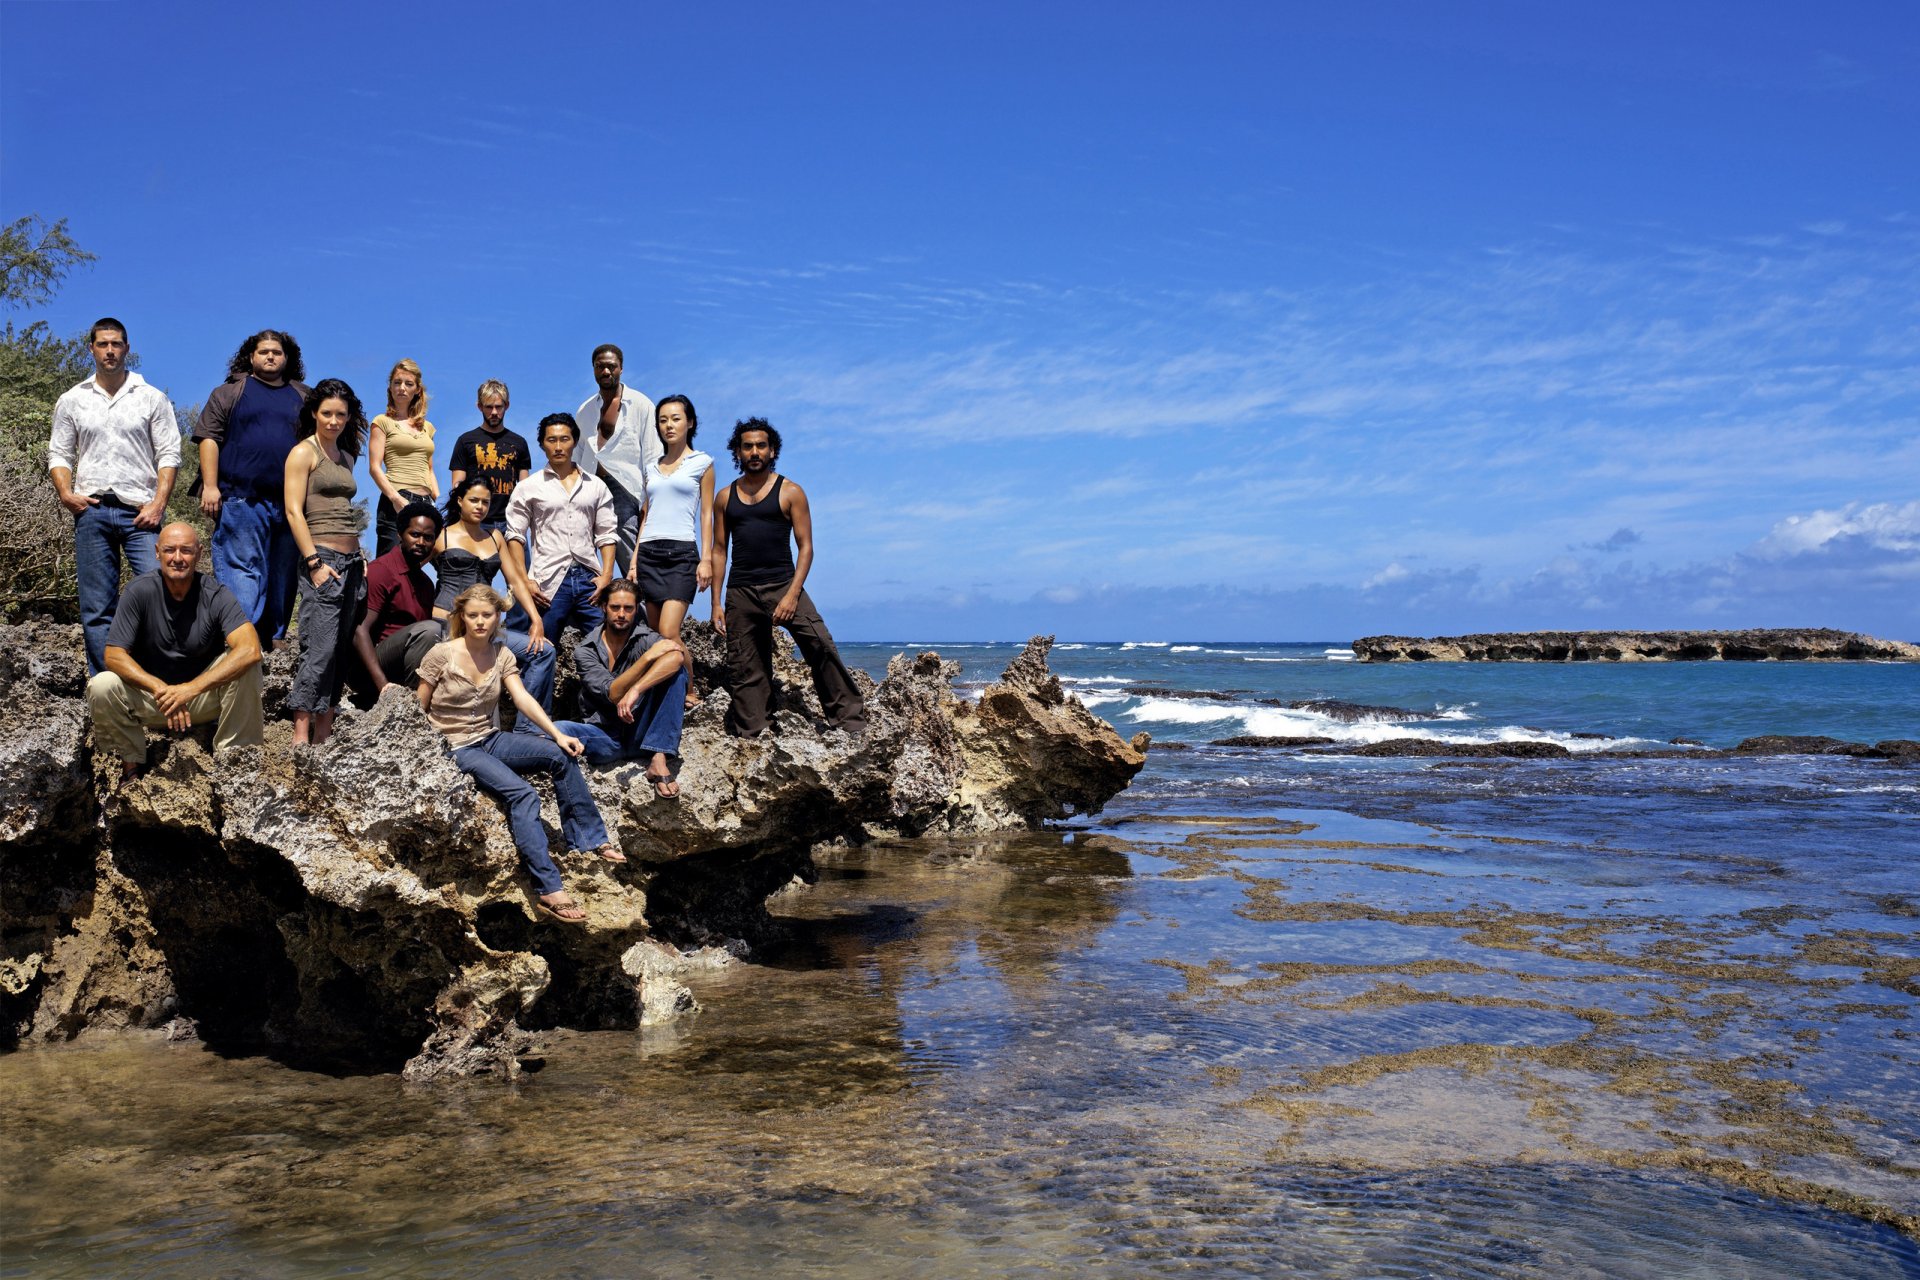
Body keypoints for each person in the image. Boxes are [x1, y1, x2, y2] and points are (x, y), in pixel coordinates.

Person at [418, 584, 624, 924]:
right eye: (473, 616)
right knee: (523, 794)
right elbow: (416, 708)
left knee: (559, 756)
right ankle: (548, 888)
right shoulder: (442, 654)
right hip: (454, 747)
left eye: (487, 615)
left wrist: (558, 735)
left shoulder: (502, 654)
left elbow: (523, 699)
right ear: (462, 617)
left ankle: (588, 840)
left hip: (490, 738)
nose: (480, 622)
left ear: (498, 616)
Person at [711, 418, 867, 737]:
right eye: (747, 446)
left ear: (772, 451)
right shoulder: (725, 498)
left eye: (761, 446)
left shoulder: (791, 491)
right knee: (745, 667)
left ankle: (850, 724)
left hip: (783, 585)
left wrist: (792, 595)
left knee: (820, 644)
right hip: (740, 591)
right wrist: (716, 602)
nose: (754, 451)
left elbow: (806, 547)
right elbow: (718, 550)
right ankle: (756, 734)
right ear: (737, 452)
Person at [47, 317, 181, 675]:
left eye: (116, 344)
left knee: (164, 592)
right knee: (96, 607)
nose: (110, 350)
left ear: (127, 348)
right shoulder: (72, 400)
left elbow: (169, 453)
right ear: (90, 348)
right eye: (103, 344)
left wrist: (159, 503)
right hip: (91, 509)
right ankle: (106, 687)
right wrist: (65, 493)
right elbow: (59, 454)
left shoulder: (151, 397)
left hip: (141, 511)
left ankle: (164, 679)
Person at [86, 522, 264, 777]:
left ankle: (236, 768)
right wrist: (162, 689)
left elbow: (250, 649)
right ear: (157, 552)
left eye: (186, 551)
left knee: (246, 664)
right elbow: (114, 655)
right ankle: (130, 769)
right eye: (170, 550)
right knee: (102, 684)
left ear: (199, 554)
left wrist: (189, 690)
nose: (178, 558)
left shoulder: (216, 594)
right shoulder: (139, 591)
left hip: (201, 699)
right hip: (154, 701)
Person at [192, 329, 312, 648]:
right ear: (251, 356)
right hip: (240, 500)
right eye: (264, 352)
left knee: (282, 575)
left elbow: (324, 441)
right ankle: (239, 640)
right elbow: (209, 438)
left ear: (288, 358)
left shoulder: (304, 396)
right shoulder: (230, 392)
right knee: (242, 573)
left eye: (277, 352)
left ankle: (273, 640)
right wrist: (210, 486)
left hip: (290, 504)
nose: (270, 356)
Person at [284, 379, 369, 747]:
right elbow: (292, 510)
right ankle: (300, 736)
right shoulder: (303, 453)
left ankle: (325, 732)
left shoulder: (346, 457)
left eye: (341, 415)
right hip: (323, 558)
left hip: (351, 562)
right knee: (317, 647)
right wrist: (314, 561)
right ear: (314, 414)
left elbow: (347, 511)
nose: (334, 421)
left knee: (339, 648)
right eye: (327, 414)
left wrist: (361, 556)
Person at [552, 580, 689, 797]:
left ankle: (659, 758)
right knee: (555, 729)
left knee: (676, 673)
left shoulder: (644, 637)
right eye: (615, 607)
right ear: (604, 607)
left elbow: (676, 657)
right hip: (604, 737)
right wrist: (647, 659)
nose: (622, 614)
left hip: (642, 733)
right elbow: (613, 694)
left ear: (636, 609)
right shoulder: (585, 650)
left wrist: (636, 690)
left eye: (628, 608)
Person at [434, 476, 557, 713]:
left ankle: (528, 730)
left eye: (485, 502)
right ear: (460, 501)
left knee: (545, 651)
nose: (480, 506)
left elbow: (517, 582)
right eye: (474, 500)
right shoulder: (442, 535)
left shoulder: (495, 537)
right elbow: (408, 567)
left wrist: (536, 619)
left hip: (486, 628)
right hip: (446, 623)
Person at [504, 413, 617, 656]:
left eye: (564, 439)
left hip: (589, 578)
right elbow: (515, 536)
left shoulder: (595, 485)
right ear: (542, 444)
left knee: (608, 648)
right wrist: (525, 580)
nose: (558, 446)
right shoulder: (529, 487)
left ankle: (605, 694)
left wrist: (607, 575)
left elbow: (607, 534)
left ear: (574, 441)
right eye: (551, 440)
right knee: (540, 651)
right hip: (548, 580)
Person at [629, 394, 714, 647]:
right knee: (656, 637)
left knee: (668, 632)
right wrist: (634, 561)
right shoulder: (651, 468)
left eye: (676, 419)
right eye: (663, 420)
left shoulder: (703, 463)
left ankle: (689, 687)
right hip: (649, 553)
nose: (669, 425)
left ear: (689, 423)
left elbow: (706, 514)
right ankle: (670, 687)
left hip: (682, 554)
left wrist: (706, 559)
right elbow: (646, 515)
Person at [573, 344, 658, 572]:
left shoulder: (641, 404)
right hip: (590, 485)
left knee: (628, 550)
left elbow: (652, 454)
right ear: (593, 369)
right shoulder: (586, 409)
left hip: (625, 487)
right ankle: (592, 602)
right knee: (582, 548)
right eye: (600, 367)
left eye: (611, 367)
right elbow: (578, 452)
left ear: (621, 369)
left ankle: (639, 602)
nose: (606, 372)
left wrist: (651, 497)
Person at [350, 501, 443, 702]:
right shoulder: (381, 570)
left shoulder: (426, 584)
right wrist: (383, 686)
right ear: (400, 534)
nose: (421, 542)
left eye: (428, 538)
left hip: (404, 664)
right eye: (415, 534)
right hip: (368, 670)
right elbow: (359, 630)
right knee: (429, 630)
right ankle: (409, 702)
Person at [368, 359, 437, 557]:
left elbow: (429, 466)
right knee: (389, 563)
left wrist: (434, 495)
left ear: (417, 389)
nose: (402, 388)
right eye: (397, 383)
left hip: (425, 501)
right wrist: (395, 498)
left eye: (408, 383)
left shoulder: (427, 427)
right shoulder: (382, 422)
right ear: (390, 387)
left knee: (425, 561)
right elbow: (374, 467)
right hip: (396, 498)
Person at [447, 379, 530, 532]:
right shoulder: (465, 441)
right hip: (476, 522)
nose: (494, 412)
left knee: (518, 558)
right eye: (488, 407)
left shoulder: (519, 443)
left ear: (507, 406)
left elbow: (525, 487)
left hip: (510, 522)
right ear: (480, 407)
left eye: (498, 407)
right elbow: (457, 485)